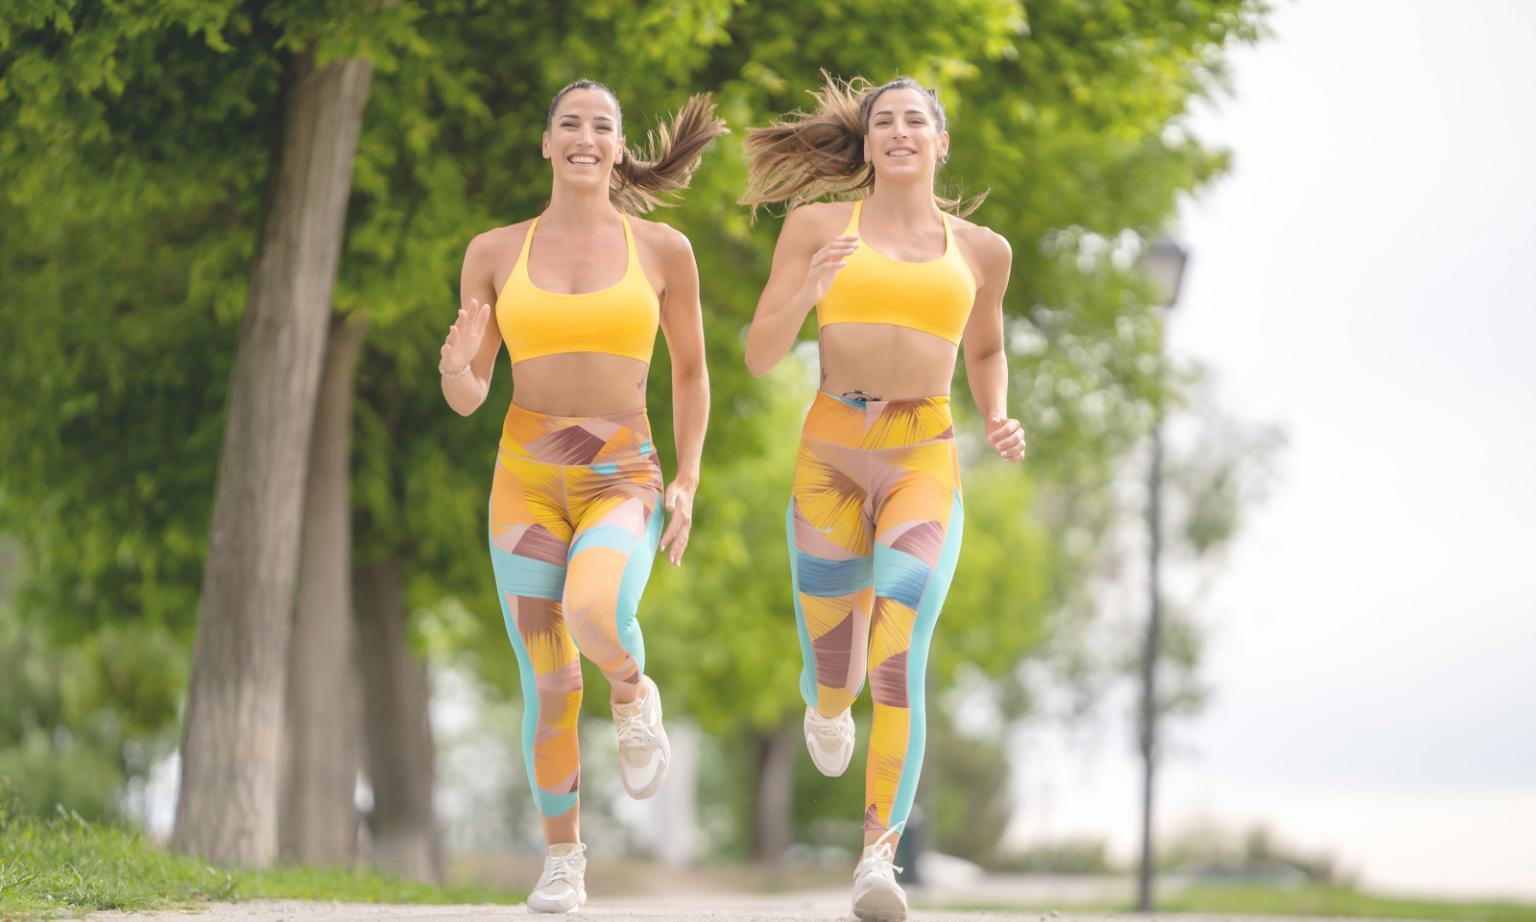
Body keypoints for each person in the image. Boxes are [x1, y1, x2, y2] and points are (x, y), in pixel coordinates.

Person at [742, 75, 1025, 922]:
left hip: (922, 457)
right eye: (884, 122)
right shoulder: (816, 227)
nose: (899, 132)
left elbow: (987, 350)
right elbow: (760, 353)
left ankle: (877, 860)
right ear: (866, 144)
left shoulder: (983, 251)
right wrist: (808, 289)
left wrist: (997, 412)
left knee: (898, 653)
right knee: (839, 672)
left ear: (941, 141)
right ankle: (826, 703)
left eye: (915, 121)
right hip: (832, 456)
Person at [438, 80, 723, 913]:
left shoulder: (663, 250)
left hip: (620, 473)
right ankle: (564, 859)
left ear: (619, 147)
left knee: (595, 611)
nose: (585, 138)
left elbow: (691, 372)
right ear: (546, 142)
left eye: (602, 126)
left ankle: (633, 694)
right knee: (552, 684)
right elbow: (469, 395)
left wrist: (688, 478)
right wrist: (455, 367)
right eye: (569, 123)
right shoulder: (494, 252)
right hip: (525, 481)